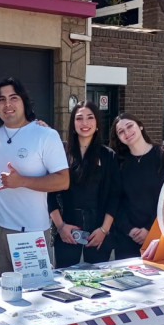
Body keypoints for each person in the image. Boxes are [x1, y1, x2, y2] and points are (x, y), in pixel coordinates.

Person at [0, 78, 69, 274]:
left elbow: (63, 180)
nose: (7, 104)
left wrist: (22, 181)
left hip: (31, 232)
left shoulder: (45, 135)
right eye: (1, 100)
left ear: (24, 101)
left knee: (35, 297)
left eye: (13, 98)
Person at [48, 101, 120, 268]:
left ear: (97, 124)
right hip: (68, 227)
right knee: (64, 277)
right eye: (79, 118)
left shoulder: (108, 155)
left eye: (90, 118)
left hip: (98, 228)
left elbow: (114, 195)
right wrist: (61, 227)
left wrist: (104, 230)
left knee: (98, 279)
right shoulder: (61, 152)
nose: (85, 123)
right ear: (73, 124)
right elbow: (50, 193)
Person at [110, 113, 164, 259]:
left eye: (130, 126)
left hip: (160, 236)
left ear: (140, 126)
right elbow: (115, 200)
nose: (127, 133)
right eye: (121, 132)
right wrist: (129, 229)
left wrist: (150, 229)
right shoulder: (118, 164)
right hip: (127, 239)